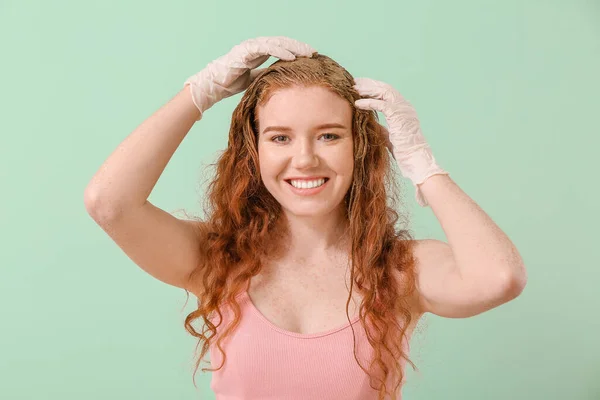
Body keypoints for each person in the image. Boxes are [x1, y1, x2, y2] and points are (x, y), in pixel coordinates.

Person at [84, 36, 528, 400]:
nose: (305, 159)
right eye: (280, 137)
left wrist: (423, 165)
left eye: (329, 135)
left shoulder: (398, 270)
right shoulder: (218, 259)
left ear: (359, 146)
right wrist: (199, 93)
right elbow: (109, 202)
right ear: (253, 152)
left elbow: (500, 278)